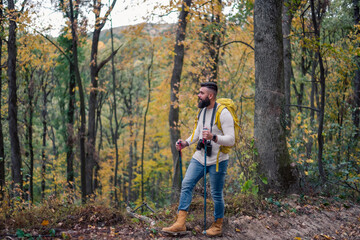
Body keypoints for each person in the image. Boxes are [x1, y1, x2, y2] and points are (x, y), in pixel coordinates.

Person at [162, 81, 235, 237]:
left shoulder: (223, 113)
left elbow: (231, 140)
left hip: (218, 160)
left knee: (216, 193)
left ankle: (217, 225)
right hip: (200, 157)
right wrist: (186, 143)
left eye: (201, 93)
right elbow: (197, 133)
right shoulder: (202, 112)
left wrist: (213, 137)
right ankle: (180, 223)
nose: (198, 95)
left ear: (210, 95)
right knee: (187, 184)